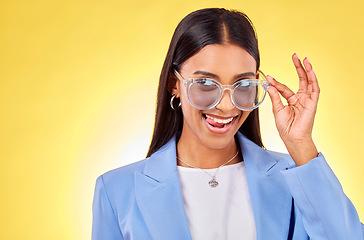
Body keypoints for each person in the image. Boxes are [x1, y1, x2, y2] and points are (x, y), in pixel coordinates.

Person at [92, 8, 364, 240]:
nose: (226, 105)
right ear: (174, 84)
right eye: (205, 83)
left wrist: (301, 144)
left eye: (243, 84)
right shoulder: (117, 191)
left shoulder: (294, 178)